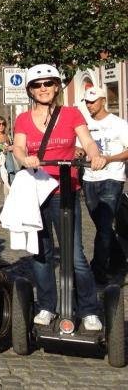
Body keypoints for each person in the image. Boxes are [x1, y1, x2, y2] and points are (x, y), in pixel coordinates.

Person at [11, 64, 106, 331]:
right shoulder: (23, 119)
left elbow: (86, 141)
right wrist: (24, 157)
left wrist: (94, 154)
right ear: (31, 90)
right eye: (37, 85)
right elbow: (18, 146)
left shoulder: (71, 114)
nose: (43, 89)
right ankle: (46, 306)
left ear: (56, 87)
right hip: (35, 193)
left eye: (48, 84)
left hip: (65, 191)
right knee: (41, 253)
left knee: (74, 254)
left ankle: (88, 309)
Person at [80, 85, 128, 284]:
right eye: (87, 102)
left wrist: (109, 159)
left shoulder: (118, 123)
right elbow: (78, 147)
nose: (90, 105)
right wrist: (77, 153)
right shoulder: (84, 125)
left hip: (112, 178)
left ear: (103, 101)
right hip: (90, 179)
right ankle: (119, 261)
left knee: (105, 227)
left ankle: (97, 271)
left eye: (93, 101)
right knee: (102, 226)